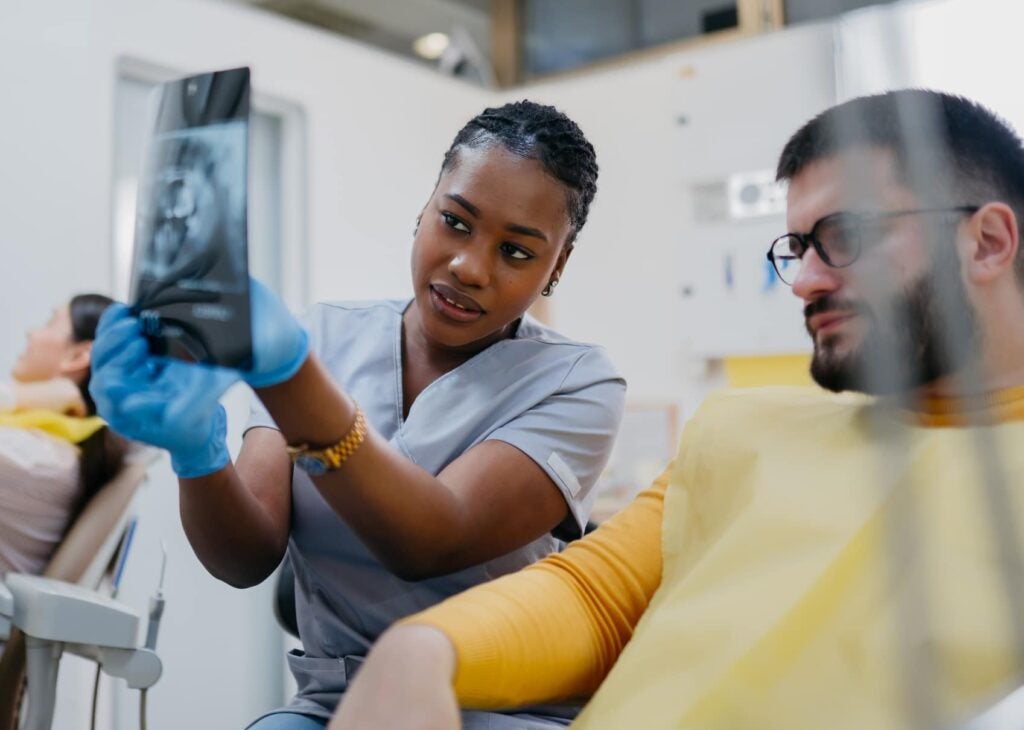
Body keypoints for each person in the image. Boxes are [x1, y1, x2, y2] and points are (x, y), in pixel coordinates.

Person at [330, 89, 1024, 730]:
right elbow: (597, 601)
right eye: (800, 247)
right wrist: (427, 648)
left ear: (987, 242)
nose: (805, 281)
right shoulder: (745, 429)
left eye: (845, 236)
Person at [89, 100, 625, 729]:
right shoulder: (324, 337)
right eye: (455, 221)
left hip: (495, 709)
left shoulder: (577, 383)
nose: (469, 267)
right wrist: (197, 454)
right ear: (424, 209)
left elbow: (432, 539)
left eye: (515, 252)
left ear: (555, 266)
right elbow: (246, 557)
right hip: (336, 704)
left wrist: (292, 378)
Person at [0, 294, 127, 575]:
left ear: (79, 356)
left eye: (49, 323)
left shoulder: (43, 460)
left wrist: (19, 395)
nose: (31, 332)